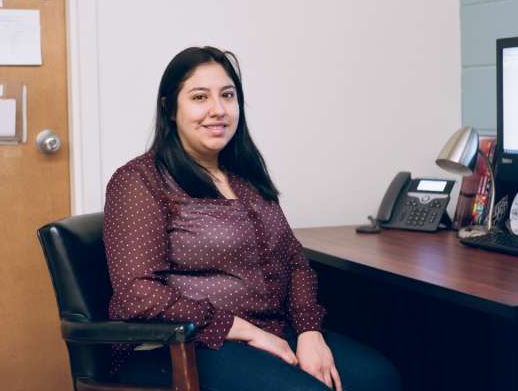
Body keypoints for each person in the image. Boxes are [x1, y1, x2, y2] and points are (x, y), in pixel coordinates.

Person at [103, 46, 401, 391]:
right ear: (170, 108)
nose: (218, 110)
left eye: (228, 96)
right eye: (200, 97)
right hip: (183, 346)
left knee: (379, 378)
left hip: (272, 330)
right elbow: (137, 295)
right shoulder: (140, 180)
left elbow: (294, 262)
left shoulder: (244, 176)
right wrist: (248, 332)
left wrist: (309, 332)